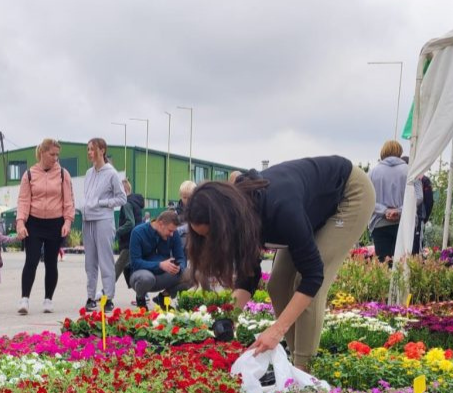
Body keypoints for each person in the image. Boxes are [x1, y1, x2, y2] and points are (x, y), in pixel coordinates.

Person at [185, 156, 375, 370]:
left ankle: (303, 374)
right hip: (311, 208)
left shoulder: (280, 208)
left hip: (348, 195)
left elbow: (314, 276)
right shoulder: (242, 215)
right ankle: (293, 364)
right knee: (277, 285)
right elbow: (249, 275)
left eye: (211, 235)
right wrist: (229, 318)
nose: (210, 243)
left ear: (225, 221)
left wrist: (276, 330)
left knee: (305, 286)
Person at [15, 138, 75, 315]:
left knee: (51, 263)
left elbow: (69, 200)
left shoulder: (64, 174)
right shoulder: (29, 174)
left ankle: (48, 299)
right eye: (52, 154)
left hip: (55, 224)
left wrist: (68, 221)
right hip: (34, 223)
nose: (55, 158)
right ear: (42, 152)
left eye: (57, 155)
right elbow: (23, 200)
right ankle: (24, 298)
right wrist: (20, 222)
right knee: (31, 261)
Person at [81, 138, 127, 312]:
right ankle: (90, 296)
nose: (89, 153)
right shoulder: (88, 173)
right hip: (88, 220)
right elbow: (87, 196)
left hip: (103, 220)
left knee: (105, 260)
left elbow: (122, 198)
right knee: (89, 261)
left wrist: (102, 202)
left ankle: (108, 298)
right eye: (88, 150)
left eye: (92, 149)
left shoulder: (112, 173)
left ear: (102, 150)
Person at [368, 141, 421, 263]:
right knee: (402, 264)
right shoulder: (411, 171)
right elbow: (419, 196)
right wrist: (400, 210)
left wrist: (385, 211)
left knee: (384, 265)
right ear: (400, 152)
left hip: (379, 224)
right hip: (405, 223)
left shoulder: (372, 173)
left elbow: (368, 199)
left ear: (383, 152)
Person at [128, 210, 187, 308]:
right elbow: (135, 263)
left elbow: (181, 258)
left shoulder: (173, 233)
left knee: (193, 275)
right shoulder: (138, 232)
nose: (172, 234)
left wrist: (179, 267)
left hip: (164, 275)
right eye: (170, 230)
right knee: (147, 278)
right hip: (142, 275)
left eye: (173, 231)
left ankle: (163, 297)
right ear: (160, 224)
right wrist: (160, 265)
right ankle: (141, 299)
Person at [114, 178, 145, 288]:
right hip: (136, 239)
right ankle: (142, 293)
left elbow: (130, 223)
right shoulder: (135, 202)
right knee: (128, 267)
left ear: (124, 190)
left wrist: (116, 232)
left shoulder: (127, 203)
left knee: (119, 266)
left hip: (129, 241)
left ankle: (105, 292)